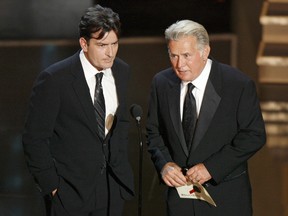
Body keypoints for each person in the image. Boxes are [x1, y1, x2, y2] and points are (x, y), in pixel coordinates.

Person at [22, 5, 134, 216]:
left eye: (114, 44)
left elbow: (121, 123)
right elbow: (34, 138)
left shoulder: (122, 71)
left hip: (112, 190)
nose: (110, 52)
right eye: (102, 45)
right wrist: (52, 186)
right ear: (84, 43)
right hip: (69, 194)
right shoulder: (55, 79)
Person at [146, 19, 266, 216]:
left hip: (226, 199)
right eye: (173, 55)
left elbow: (254, 135)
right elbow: (153, 131)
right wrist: (165, 164)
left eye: (186, 56)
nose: (179, 64)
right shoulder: (161, 83)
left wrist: (212, 168)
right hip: (180, 201)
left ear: (205, 52)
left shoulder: (237, 84)